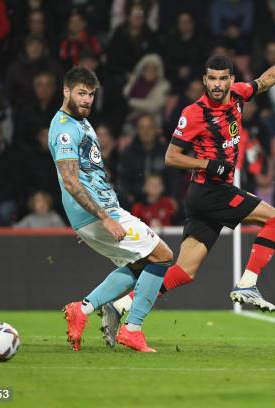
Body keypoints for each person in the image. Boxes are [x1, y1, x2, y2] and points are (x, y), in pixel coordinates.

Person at [100, 34, 275, 347]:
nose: (216, 85)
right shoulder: (193, 113)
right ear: (204, 80)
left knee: (184, 271)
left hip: (207, 196)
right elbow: (171, 156)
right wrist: (207, 164)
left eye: (222, 79)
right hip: (210, 191)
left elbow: (267, 80)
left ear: (231, 80)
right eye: (211, 79)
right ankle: (248, 284)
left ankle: (119, 305)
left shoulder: (238, 95)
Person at [50, 66, 173, 353]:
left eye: (91, 94)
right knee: (163, 257)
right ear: (66, 91)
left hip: (99, 212)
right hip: (98, 215)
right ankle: (132, 329)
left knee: (140, 263)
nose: (87, 100)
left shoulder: (81, 122)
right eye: (81, 93)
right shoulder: (65, 128)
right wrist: (104, 218)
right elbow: (70, 180)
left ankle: (83, 309)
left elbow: (89, 173)